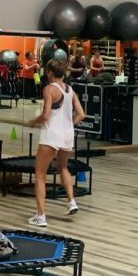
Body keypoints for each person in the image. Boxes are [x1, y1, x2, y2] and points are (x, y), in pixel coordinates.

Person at [27, 59, 85, 227]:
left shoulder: (49, 89)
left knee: (40, 175)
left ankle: (41, 216)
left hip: (51, 135)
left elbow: (46, 116)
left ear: (50, 72)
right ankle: (71, 201)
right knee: (63, 167)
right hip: (67, 135)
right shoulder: (70, 90)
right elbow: (81, 114)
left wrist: (33, 122)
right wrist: (68, 125)